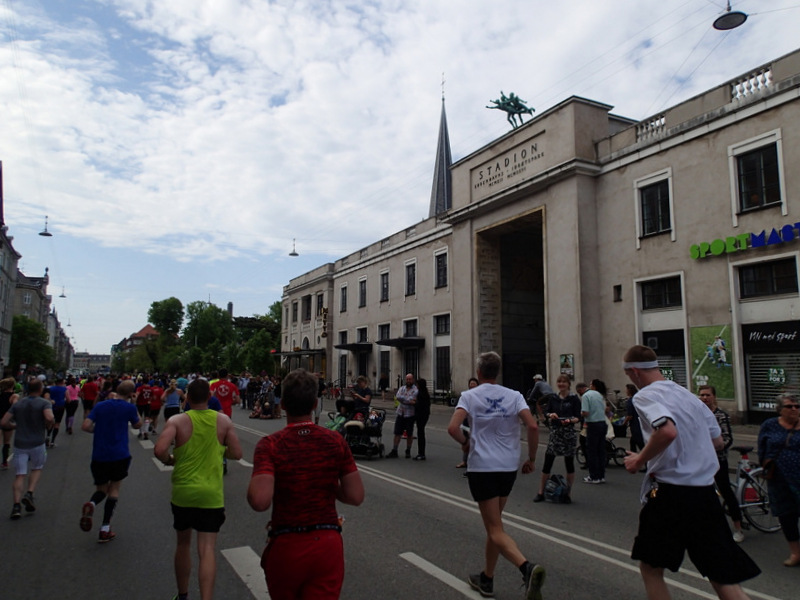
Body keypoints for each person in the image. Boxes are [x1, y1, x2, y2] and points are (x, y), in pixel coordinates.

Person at [622, 345, 760, 600]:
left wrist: (639, 459)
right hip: (705, 494)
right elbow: (717, 442)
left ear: (633, 371)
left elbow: (667, 431)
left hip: (670, 493)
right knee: (722, 576)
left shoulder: (644, 396)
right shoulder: (688, 396)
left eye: (629, 375)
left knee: (651, 568)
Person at [247, 369, 364, 599]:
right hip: (327, 544)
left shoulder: (270, 445)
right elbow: (356, 496)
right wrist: (328, 485)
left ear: (284, 405)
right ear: (314, 404)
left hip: (287, 543)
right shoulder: (335, 441)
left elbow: (260, 501)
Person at [447, 352, 546, 600]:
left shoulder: (470, 396)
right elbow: (533, 426)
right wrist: (532, 459)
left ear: (479, 373)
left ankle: (527, 568)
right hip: (508, 467)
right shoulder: (514, 395)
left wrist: (466, 442)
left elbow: (453, 427)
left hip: (483, 467)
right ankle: (487, 578)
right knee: (496, 526)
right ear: (497, 372)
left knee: (494, 528)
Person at [155, 378, 242, 600]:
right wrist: (221, 452)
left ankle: (182, 594)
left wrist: (170, 460)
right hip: (211, 495)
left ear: (188, 398)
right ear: (210, 398)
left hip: (183, 492)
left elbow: (159, 450)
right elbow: (237, 453)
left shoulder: (177, 420)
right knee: (207, 550)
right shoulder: (222, 421)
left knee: (183, 544)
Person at [79, 379, 142, 542]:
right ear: (130, 393)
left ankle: (92, 504)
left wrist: (98, 431)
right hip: (119, 454)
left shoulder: (101, 406)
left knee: (101, 489)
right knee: (114, 489)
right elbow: (137, 425)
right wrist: (135, 404)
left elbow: (85, 426)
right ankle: (105, 527)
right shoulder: (129, 407)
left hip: (99, 454)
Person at [758, 393, 800, 567]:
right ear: (779, 409)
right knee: (786, 517)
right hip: (779, 479)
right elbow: (762, 447)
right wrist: (765, 465)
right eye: (789, 406)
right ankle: (796, 553)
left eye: (797, 406)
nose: (794, 409)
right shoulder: (770, 425)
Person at [1, 379, 54, 520]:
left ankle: (16, 505)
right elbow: (49, 417)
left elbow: (3, 422)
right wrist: (49, 424)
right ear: (40, 389)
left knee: (20, 474)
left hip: (20, 443)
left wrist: (15, 426)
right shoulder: (44, 403)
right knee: (37, 467)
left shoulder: (19, 404)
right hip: (37, 442)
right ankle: (29, 493)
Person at [698, 385, 744, 542]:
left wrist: (716, 446)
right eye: (702, 395)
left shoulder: (720, 415)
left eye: (708, 395)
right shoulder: (697, 415)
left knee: (726, 492)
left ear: (714, 397)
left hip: (718, 460)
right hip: (702, 461)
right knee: (704, 493)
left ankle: (738, 527)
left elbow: (727, 438)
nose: (705, 398)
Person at [534, 374, 581, 503]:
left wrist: (570, 420)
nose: (561, 384)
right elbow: (546, 412)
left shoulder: (574, 399)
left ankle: (568, 494)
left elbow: (578, 417)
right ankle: (541, 492)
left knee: (569, 463)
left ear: (568, 384)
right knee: (548, 461)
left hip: (568, 433)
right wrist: (551, 415)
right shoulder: (553, 398)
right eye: (559, 381)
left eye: (564, 382)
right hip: (555, 433)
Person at [581, 379, 608, 484]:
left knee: (592, 451)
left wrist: (581, 414)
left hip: (592, 424)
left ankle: (594, 476)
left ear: (593, 386)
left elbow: (585, 412)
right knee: (601, 450)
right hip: (602, 423)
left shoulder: (586, 396)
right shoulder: (601, 396)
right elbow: (605, 409)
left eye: (590, 384)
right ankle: (601, 475)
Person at [386, 373, 417, 458]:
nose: (408, 381)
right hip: (401, 413)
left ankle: (408, 451)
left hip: (410, 414)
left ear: (413, 380)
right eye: (407, 379)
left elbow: (413, 401)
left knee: (409, 434)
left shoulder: (415, 390)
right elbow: (398, 397)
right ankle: (394, 450)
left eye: (410, 379)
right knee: (397, 433)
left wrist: (404, 400)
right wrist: (407, 400)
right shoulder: (402, 388)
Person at [456, 377, 480, 470]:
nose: (472, 385)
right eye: (471, 384)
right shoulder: (466, 396)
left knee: (475, 444)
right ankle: (465, 461)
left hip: (476, 423)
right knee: (466, 441)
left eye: (474, 384)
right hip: (466, 422)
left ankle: (473, 464)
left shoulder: (480, 396)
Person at [0, 377, 19, 469]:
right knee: (6, 442)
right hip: (8, 420)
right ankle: (4, 462)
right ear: (12, 385)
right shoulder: (14, 396)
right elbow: (15, 406)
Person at [45, 377, 67, 448]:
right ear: (62, 383)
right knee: (57, 424)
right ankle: (52, 441)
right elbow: (68, 399)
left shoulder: (50, 389)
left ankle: (48, 436)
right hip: (60, 407)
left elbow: (47, 397)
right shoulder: (64, 389)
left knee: (51, 422)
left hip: (52, 406)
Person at [413, 378, 431, 461]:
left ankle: (421, 453)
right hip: (425, 415)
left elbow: (419, 406)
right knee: (421, 433)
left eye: (417, 384)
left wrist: (414, 403)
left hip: (420, 415)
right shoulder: (425, 393)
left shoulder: (420, 394)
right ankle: (421, 453)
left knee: (420, 434)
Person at [623, 383, 644, 453]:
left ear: (629, 390)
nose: (625, 391)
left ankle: (646, 459)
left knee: (639, 443)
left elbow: (630, 415)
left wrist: (624, 423)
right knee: (633, 441)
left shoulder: (630, 401)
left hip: (635, 424)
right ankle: (632, 454)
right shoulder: (637, 399)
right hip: (640, 422)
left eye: (626, 389)